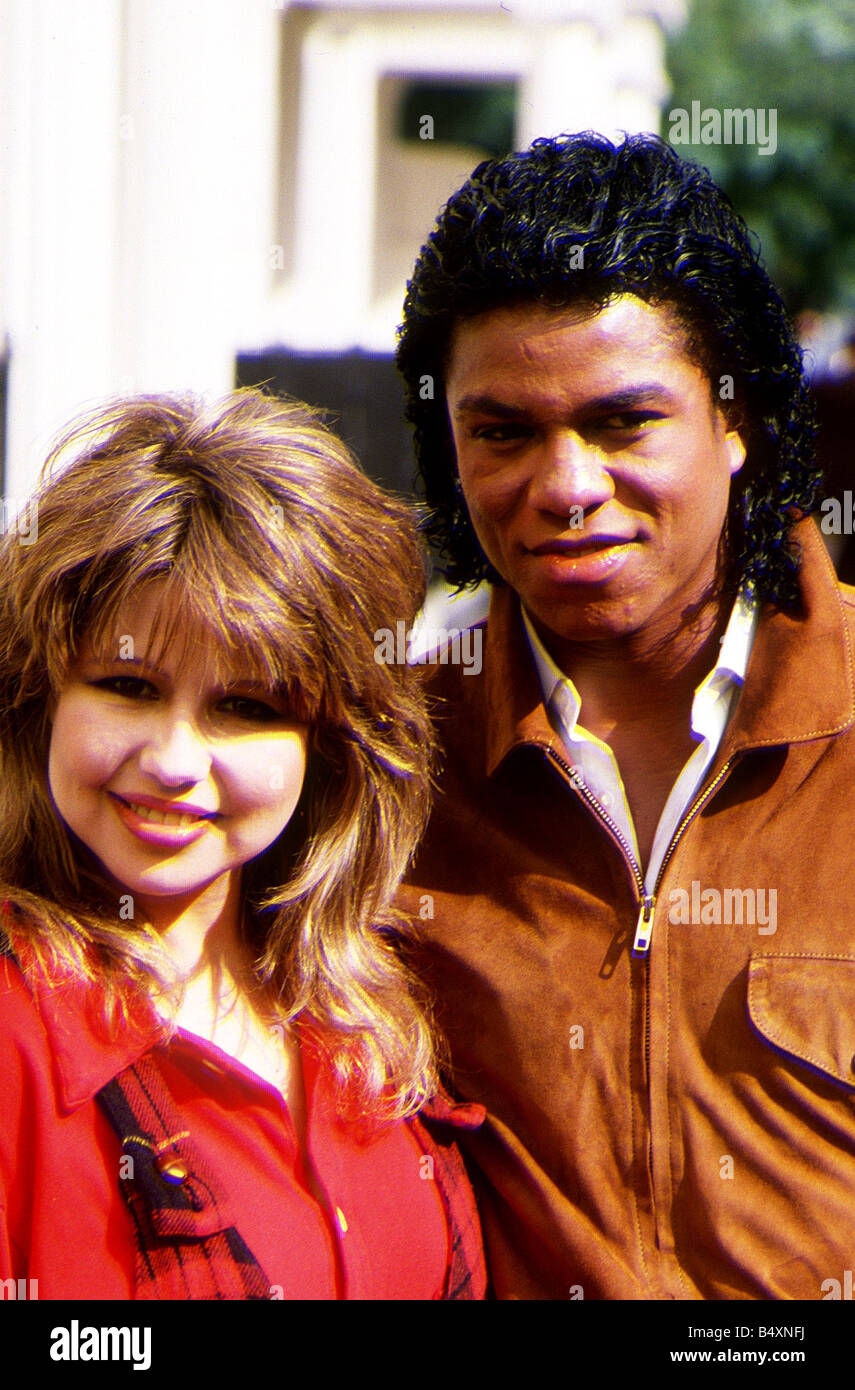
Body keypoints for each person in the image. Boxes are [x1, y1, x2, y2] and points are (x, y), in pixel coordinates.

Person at [395, 131, 855, 1301]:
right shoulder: (383, 766)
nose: (566, 488)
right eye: (504, 431)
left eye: (621, 422)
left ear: (737, 418)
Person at [0, 389, 485, 1301]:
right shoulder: (14, 1035)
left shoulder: (377, 1022)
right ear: (40, 699)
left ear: (328, 749)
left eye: (244, 706)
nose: (173, 762)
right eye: (128, 686)